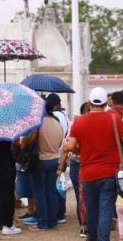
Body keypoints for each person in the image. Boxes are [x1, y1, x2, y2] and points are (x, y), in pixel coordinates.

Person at [65, 87, 123, 241]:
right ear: (105, 103)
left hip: (87, 173)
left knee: (92, 209)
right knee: (105, 209)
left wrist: (83, 151)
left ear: (89, 103)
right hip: (109, 173)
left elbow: (72, 146)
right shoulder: (114, 119)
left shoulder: (80, 122)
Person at [29, 102, 64, 230]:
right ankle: (52, 221)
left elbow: (30, 140)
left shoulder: (38, 124)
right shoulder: (57, 124)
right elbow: (61, 142)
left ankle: (42, 222)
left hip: (40, 160)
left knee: (40, 192)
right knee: (52, 191)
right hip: (54, 160)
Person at [58, 102, 90, 238]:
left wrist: (61, 167)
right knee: (82, 197)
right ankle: (84, 225)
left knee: (83, 197)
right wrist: (61, 166)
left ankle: (87, 225)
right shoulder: (76, 126)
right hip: (82, 164)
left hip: (81, 164)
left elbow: (67, 148)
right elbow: (66, 148)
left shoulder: (75, 126)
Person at [46, 93, 70, 224]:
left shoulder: (56, 117)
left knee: (55, 185)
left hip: (56, 152)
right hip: (63, 152)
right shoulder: (65, 116)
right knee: (60, 183)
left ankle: (58, 213)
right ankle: (61, 211)